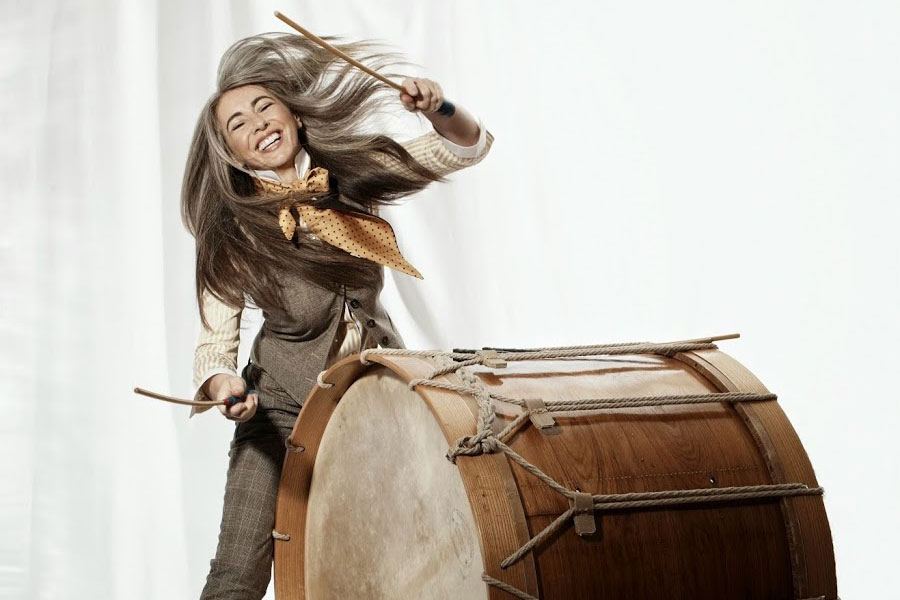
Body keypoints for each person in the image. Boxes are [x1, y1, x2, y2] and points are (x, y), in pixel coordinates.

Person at [180, 32, 493, 598]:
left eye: (265, 106)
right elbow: (214, 348)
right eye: (238, 124)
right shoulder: (233, 231)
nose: (258, 124)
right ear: (233, 153)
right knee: (237, 571)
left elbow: (464, 147)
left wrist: (439, 106)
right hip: (278, 406)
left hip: (376, 392)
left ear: (295, 115)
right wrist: (228, 389)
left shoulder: (353, 173)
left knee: (408, 556)